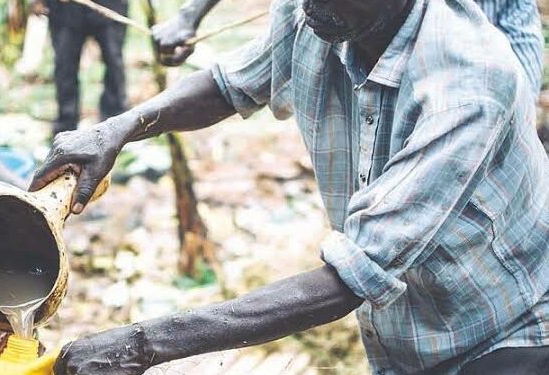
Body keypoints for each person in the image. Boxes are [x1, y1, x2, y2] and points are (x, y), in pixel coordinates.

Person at [30, 0, 549, 373]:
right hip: (404, 334)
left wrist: (143, 345)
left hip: (505, 329)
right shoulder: (318, 13)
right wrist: (116, 130)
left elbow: (353, 276)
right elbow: (229, 84)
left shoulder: (469, 84)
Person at [152, 0, 544, 97]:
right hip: (385, 35)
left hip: (495, 17)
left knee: (508, 128)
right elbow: (231, 86)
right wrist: (189, 15)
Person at [32, 0, 129, 137]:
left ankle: (117, 129)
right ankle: (65, 132)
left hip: (108, 5)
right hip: (65, 8)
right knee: (64, 66)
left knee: (114, 63)